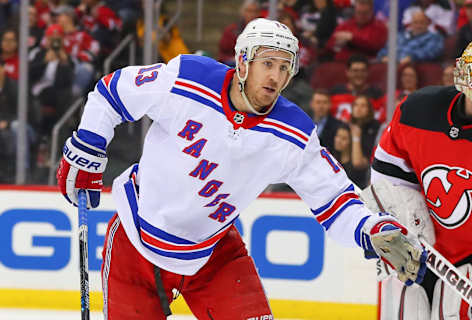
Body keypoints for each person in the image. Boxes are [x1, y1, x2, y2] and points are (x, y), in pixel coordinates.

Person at [56, 18, 427, 319]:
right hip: (135, 243)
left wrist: (371, 229)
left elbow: (334, 198)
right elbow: (111, 92)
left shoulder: (293, 133)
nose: (276, 77)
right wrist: (87, 150)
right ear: (243, 62)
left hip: (213, 252)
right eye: (268, 64)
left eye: (285, 68)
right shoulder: (187, 78)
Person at [371, 41, 472, 319]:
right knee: (402, 296)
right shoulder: (419, 111)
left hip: (466, 262)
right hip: (419, 250)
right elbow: (387, 178)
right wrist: (390, 225)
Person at [329, 54, 385, 122]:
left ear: (367, 72)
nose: (359, 74)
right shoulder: (336, 92)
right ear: (347, 72)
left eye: (363, 71)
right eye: (355, 71)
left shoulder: (377, 94)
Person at [377, 10, 444, 66]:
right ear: (411, 24)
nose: (418, 25)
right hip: (392, 67)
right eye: (415, 22)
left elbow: (430, 52)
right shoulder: (399, 36)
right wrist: (383, 57)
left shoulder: (434, 38)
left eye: (422, 22)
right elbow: (384, 50)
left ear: (428, 23)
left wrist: (411, 57)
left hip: (413, 67)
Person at [308, 89, 344, 153]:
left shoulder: (338, 126)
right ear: (311, 104)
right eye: (318, 102)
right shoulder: (304, 123)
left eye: (325, 102)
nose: (321, 106)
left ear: (330, 104)